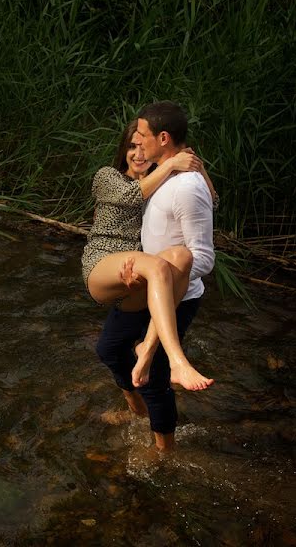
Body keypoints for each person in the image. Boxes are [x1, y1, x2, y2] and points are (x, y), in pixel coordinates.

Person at [90, 101, 217, 451]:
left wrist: (196, 170)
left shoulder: (171, 181)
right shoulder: (110, 178)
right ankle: (138, 412)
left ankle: (165, 453)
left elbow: (203, 211)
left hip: (159, 282)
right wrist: (175, 163)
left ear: (161, 140)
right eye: (131, 145)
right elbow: (130, 196)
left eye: (141, 141)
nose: (137, 151)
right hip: (120, 269)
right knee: (110, 349)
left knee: (153, 378)